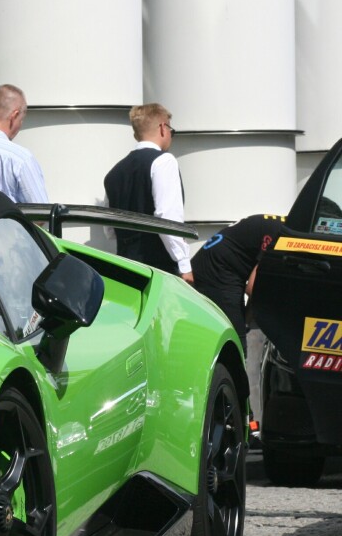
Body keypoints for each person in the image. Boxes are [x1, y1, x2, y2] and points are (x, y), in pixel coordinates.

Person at [104, 103, 191, 276]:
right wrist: (184, 264)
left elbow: (109, 230)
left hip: (124, 267)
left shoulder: (114, 173)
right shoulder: (164, 161)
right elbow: (166, 218)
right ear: (162, 128)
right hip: (158, 268)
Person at [190, 213, 285, 351]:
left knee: (236, 331)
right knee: (234, 341)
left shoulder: (284, 225)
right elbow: (254, 288)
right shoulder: (283, 235)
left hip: (222, 264)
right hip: (218, 268)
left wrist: (246, 321)